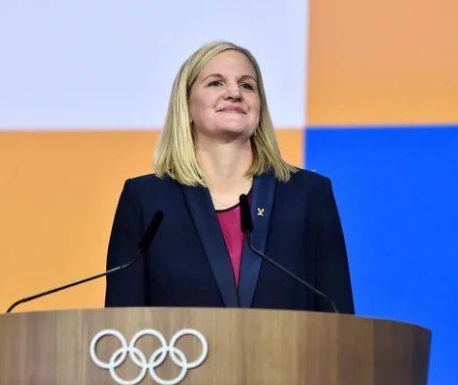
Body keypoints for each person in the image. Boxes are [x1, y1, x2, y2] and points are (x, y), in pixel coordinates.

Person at [105, 41, 354, 313]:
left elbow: (339, 322)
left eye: (247, 85)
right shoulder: (146, 200)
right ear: (186, 106)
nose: (234, 93)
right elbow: (122, 332)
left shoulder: (308, 194)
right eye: (216, 83)